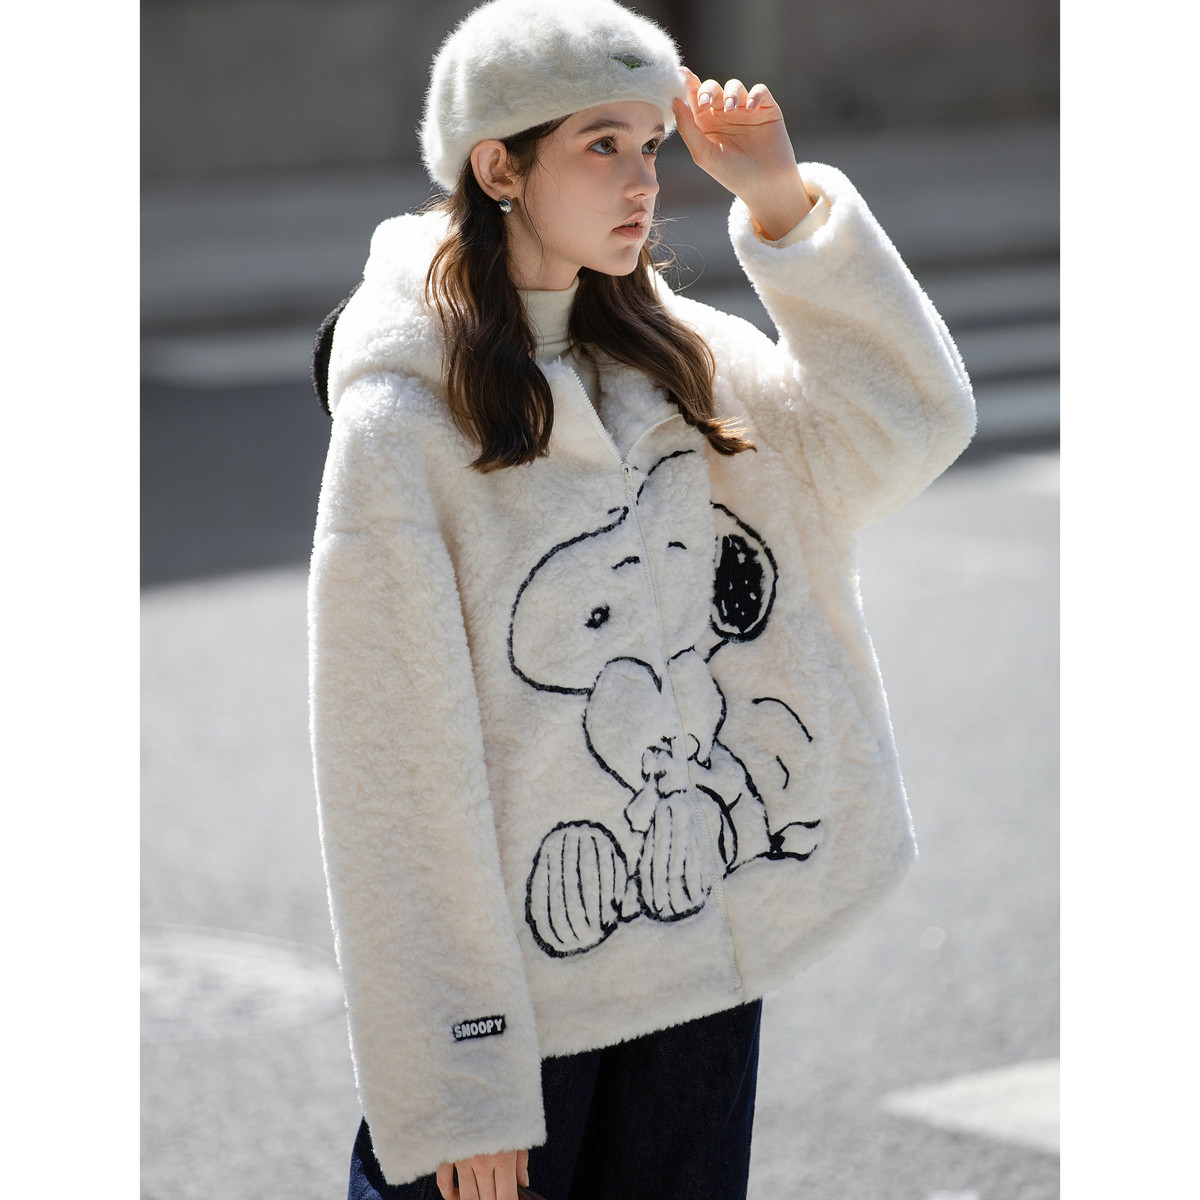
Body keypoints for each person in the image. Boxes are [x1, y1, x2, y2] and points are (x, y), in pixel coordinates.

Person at [308, 1, 975, 1197]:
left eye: (653, 145)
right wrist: (461, 1075)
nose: (643, 181)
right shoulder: (402, 424)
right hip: (528, 1006)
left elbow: (905, 426)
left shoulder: (669, 357)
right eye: (601, 145)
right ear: (498, 168)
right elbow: (394, 779)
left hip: (699, 956)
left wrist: (782, 203)